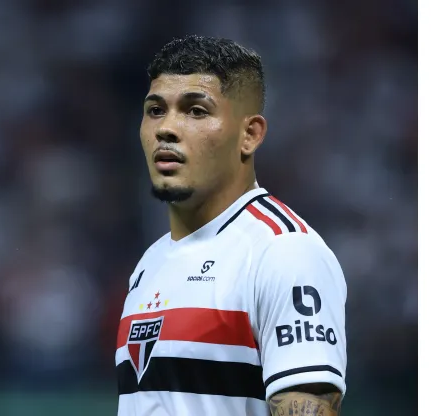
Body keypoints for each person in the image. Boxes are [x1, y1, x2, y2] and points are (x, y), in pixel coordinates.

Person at [115, 35, 347, 416]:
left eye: (195, 111)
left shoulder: (282, 251)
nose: (166, 128)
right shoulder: (150, 264)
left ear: (249, 134)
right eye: (156, 110)